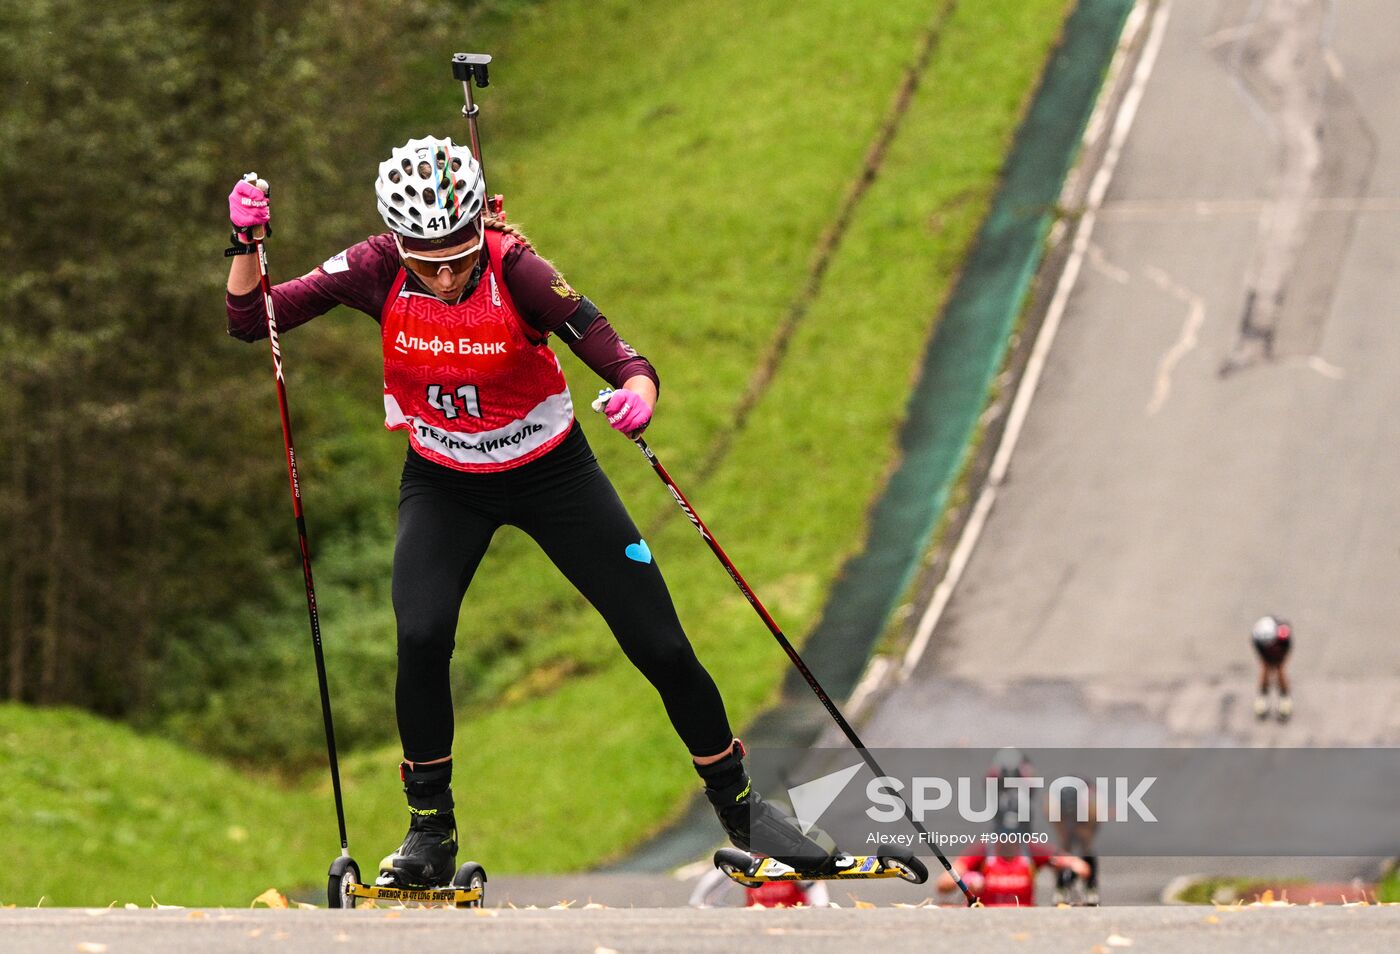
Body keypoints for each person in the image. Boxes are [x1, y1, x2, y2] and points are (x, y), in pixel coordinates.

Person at [224, 137, 835, 887]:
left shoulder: (521, 271)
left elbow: (626, 360)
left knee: (660, 643)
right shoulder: (375, 267)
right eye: (426, 261)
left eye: (457, 253)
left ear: (480, 225)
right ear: (399, 243)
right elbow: (254, 319)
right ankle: (429, 835)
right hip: (445, 481)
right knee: (419, 634)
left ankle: (745, 812)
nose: (445, 276)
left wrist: (635, 401)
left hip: (554, 475)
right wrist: (246, 245)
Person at [936, 840, 1090, 907]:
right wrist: (967, 879)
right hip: (985, 916)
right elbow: (943, 884)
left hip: (1024, 917)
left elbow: (1080, 866)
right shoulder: (983, 849)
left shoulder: (1031, 849)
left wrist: (1069, 865)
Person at [1051, 778, 1101, 906]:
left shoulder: (1092, 809)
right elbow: (1063, 838)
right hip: (1063, 811)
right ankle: (1060, 886)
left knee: (1085, 846)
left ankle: (1091, 886)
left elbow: (1088, 836)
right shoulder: (1053, 807)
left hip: (1086, 816)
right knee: (1064, 846)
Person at [1250, 615, 1293, 722]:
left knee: (1280, 671)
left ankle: (1284, 697)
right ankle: (1262, 695)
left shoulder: (1283, 633)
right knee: (1265, 670)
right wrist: (1266, 661)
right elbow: (1258, 650)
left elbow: (1288, 647)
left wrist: (1280, 660)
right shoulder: (1257, 636)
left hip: (1280, 653)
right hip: (1265, 655)